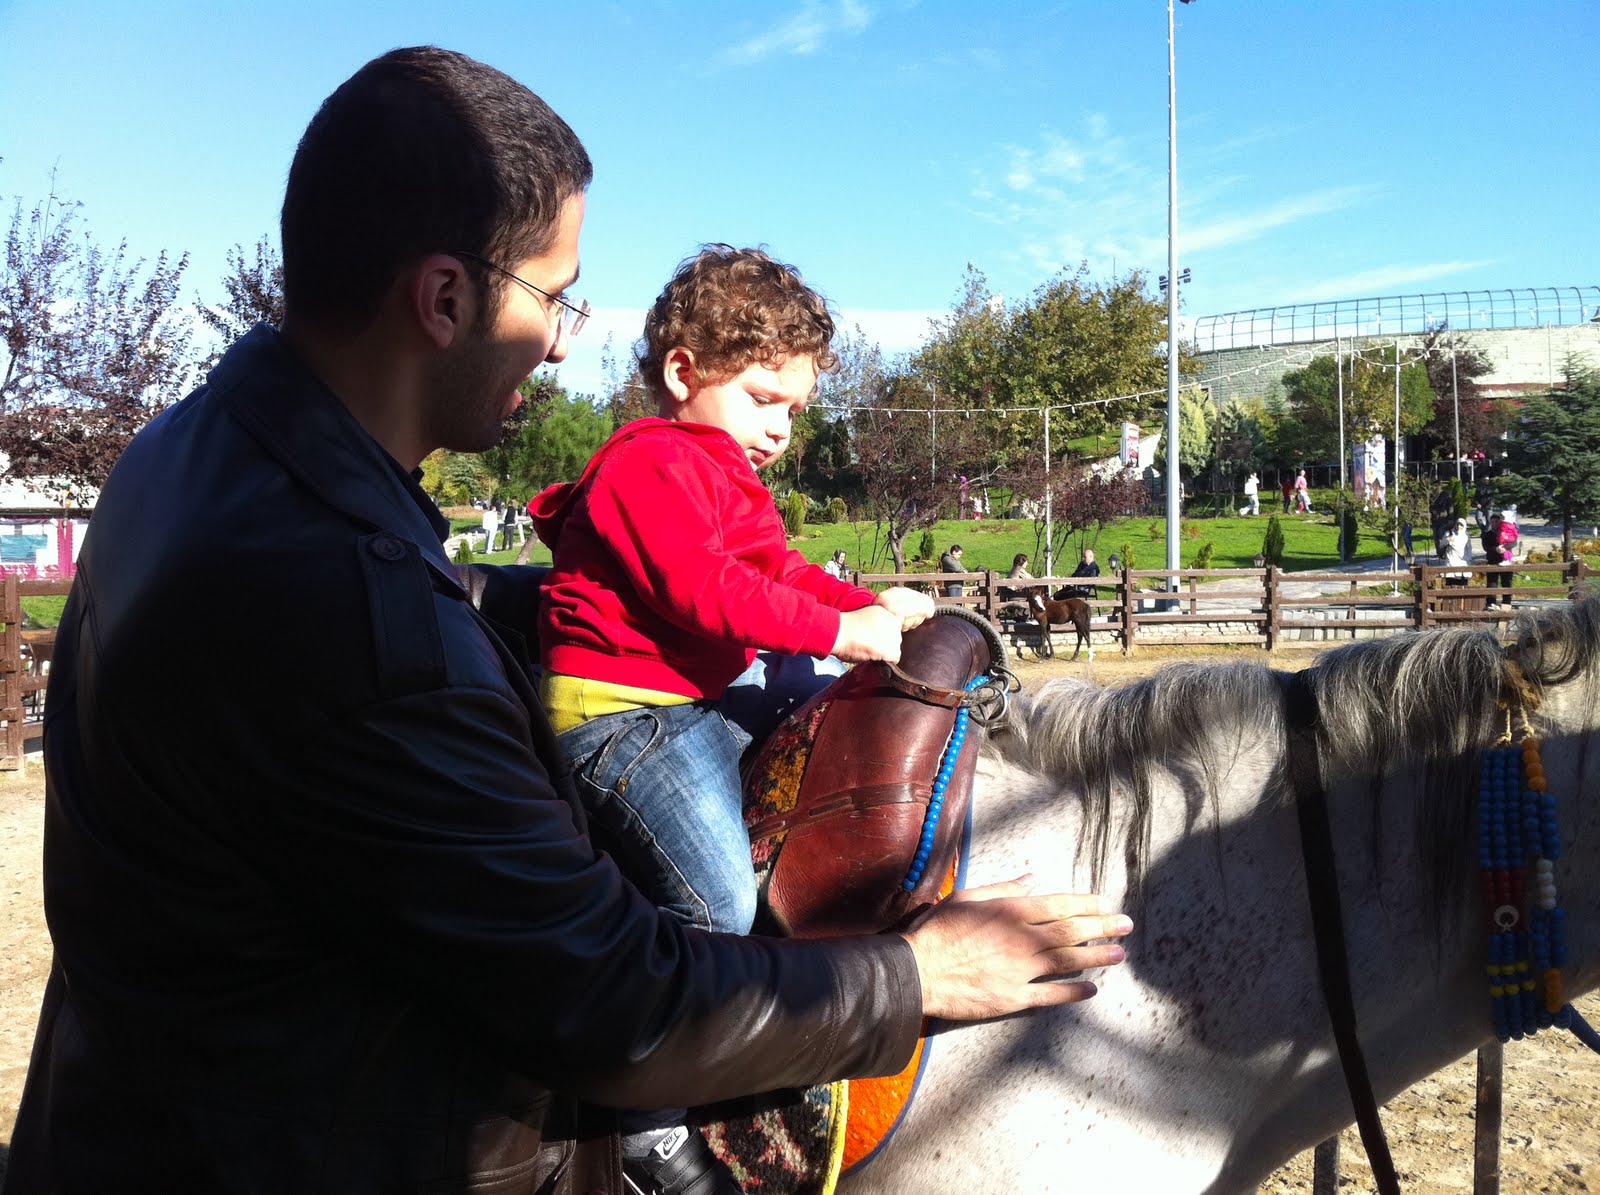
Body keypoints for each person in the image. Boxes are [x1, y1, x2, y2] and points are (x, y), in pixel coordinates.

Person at [4, 48, 1132, 1195]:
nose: (560, 338)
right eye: (553, 294)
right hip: (326, 1153)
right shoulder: (352, 617)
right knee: (719, 909)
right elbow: (617, 1006)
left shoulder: (195, 458)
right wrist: (913, 975)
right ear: (444, 298)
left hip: (147, 1119)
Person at [530, 244, 941, 1189]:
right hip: (623, 718)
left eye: (795, 410)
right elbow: (705, 592)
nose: (782, 429)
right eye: (764, 397)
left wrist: (867, 600)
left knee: (839, 726)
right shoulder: (649, 463)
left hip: (695, 702)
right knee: (710, 895)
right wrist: (840, 627)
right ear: (684, 372)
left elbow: (778, 568)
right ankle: (649, 1115)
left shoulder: (726, 474)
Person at [1483, 508, 1519, 607]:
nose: (1494, 523)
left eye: (1496, 521)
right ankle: (1491, 603)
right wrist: (1496, 549)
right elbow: (1486, 546)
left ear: (1500, 521)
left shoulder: (1505, 531)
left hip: (1505, 560)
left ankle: (1507, 602)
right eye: (1492, 521)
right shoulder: (1488, 534)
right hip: (1493, 560)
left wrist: (1504, 547)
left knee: (1507, 582)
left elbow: (1514, 542)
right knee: (1492, 583)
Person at [1442, 517, 1473, 590]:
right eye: (1457, 524)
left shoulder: (1466, 536)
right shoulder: (1449, 533)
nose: (1459, 527)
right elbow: (1441, 544)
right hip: (1451, 561)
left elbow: (1469, 548)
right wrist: (1448, 540)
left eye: (1461, 525)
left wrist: (1468, 559)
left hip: (1463, 562)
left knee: (1463, 586)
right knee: (1450, 585)